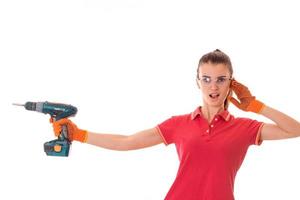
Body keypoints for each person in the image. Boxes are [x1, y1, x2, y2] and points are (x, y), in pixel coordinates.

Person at [51, 49, 300, 200]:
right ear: (197, 82)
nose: (213, 86)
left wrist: (255, 106)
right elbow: (128, 142)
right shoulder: (179, 124)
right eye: (206, 79)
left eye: (221, 79)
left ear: (231, 84)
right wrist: (80, 134)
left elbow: (295, 129)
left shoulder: (245, 128)